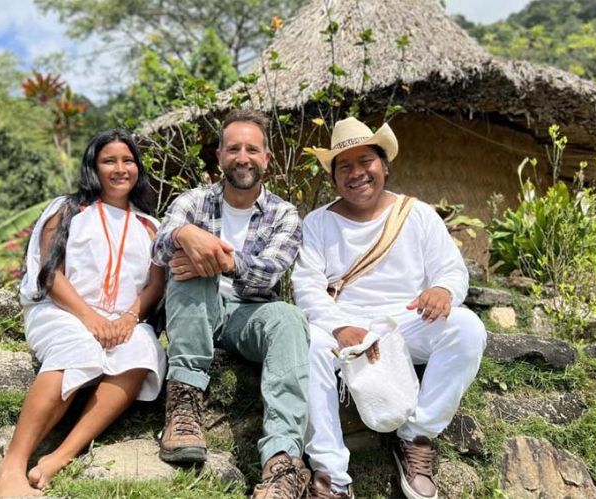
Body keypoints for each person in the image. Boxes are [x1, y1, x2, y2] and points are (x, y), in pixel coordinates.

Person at [292, 117, 487, 499]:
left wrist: (443, 290)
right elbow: (307, 286)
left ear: (384, 165)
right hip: (343, 324)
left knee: (467, 328)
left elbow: (450, 270)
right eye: (344, 166)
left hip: (406, 322)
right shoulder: (318, 223)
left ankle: (416, 436)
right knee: (309, 345)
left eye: (365, 161)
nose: (356, 173)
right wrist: (337, 326)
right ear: (333, 177)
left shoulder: (417, 214)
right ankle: (331, 476)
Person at [0, 129, 167, 498]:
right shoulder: (68, 209)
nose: (120, 169)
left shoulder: (149, 225)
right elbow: (51, 273)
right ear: (93, 166)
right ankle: (10, 468)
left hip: (121, 321)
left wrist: (128, 320)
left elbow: (154, 285)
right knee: (79, 349)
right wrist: (90, 319)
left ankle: (60, 456)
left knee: (143, 351)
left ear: (137, 167)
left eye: (128, 160)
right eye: (109, 161)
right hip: (61, 312)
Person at [152, 109, 311, 498]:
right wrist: (187, 233)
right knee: (191, 266)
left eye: (252, 149)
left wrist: (220, 257)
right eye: (234, 148)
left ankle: (283, 462)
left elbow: (269, 273)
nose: (243, 157)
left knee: (289, 318)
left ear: (267, 159)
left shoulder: (284, 214)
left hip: (250, 314)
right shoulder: (193, 201)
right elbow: (158, 247)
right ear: (220, 156)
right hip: (197, 308)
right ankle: (185, 407)